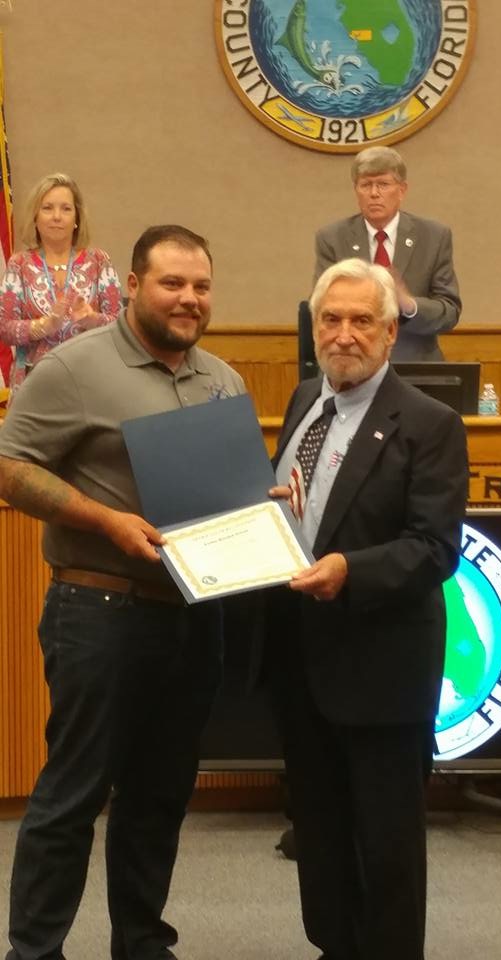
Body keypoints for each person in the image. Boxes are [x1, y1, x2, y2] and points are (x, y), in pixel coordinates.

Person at [0, 224, 245, 960]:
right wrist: (105, 520)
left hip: (193, 617)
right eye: (172, 283)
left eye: (200, 286)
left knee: (161, 794)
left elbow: (229, 499)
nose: (188, 299)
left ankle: (141, 942)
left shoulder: (223, 380)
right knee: (73, 792)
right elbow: (9, 466)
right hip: (98, 608)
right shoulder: (74, 368)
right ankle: (34, 950)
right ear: (132, 285)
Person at [267, 258, 468, 959]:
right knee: (318, 836)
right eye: (331, 318)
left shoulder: (430, 423)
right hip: (302, 667)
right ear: (314, 326)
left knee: (385, 850)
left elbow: (434, 548)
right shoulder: (301, 402)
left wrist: (351, 570)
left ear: (389, 333)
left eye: (361, 321)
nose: (344, 334)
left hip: (383, 673)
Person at [313, 145, 461, 360]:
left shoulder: (433, 236)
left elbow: (449, 312)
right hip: (353, 363)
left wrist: (409, 304)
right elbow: (321, 306)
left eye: (383, 184)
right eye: (366, 185)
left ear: (402, 190)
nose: (374, 193)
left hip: (416, 369)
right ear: (356, 190)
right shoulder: (333, 238)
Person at [0, 171, 122, 396]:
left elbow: (121, 325)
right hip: (34, 385)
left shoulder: (99, 261)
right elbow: (4, 328)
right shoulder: (19, 264)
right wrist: (46, 325)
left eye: (66, 209)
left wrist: (91, 319)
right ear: (35, 217)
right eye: (47, 208)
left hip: (90, 382)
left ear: (77, 219)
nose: (57, 216)